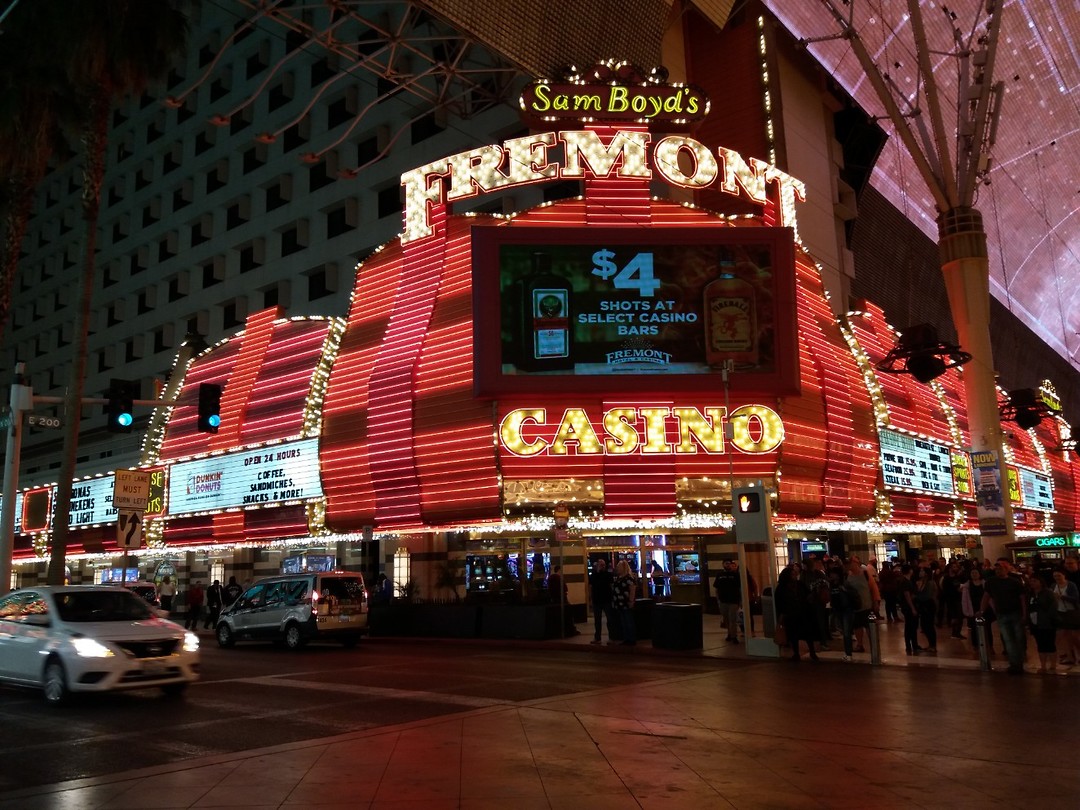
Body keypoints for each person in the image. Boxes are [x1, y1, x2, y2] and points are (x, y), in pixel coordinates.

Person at [981, 559, 1028, 674]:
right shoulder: (991, 582)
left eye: (1001, 568)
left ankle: (1019, 662)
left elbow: (1022, 598)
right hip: (1002, 613)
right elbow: (986, 596)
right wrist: (981, 610)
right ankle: (1014, 664)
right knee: (1008, 639)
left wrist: (1024, 613)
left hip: (1015, 612)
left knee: (1018, 638)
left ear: (1006, 570)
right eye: (997, 569)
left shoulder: (1015, 582)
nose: (998, 570)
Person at [775, 563, 817, 661]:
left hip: (802, 613)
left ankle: (812, 652)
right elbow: (779, 602)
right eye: (793, 574)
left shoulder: (799, 584)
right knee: (794, 635)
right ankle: (796, 653)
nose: (795, 576)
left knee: (807, 634)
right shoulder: (782, 588)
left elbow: (807, 594)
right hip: (791, 615)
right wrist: (782, 613)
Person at [1027, 573, 1058, 674]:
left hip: (1047, 622)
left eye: (1034, 581)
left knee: (1050, 644)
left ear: (1040, 582)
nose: (1032, 583)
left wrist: (1049, 618)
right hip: (1035, 622)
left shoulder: (1048, 593)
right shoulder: (1030, 594)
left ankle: (1053, 665)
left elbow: (1053, 607)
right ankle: (1043, 665)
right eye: (1031, 581)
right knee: (1040, 644)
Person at [960, 566, 994, 655]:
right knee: (974, 628)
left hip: (985, 608)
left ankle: (990, 646)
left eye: (976, 573)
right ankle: (976, 646)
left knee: (988, 628)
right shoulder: (967, 586)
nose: (974, 574)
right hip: (973, 608)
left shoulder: (985, 584)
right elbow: (965, 599)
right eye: (972, 573)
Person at [1051, 568, 1080, 666]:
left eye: (1059, 575)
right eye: (1055, 576)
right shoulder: (1054, 585)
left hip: (1071, 612)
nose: (1057, 578)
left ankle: (1077, 653)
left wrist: (1061, 597)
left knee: (1074, 636)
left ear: (1064, 575)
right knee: (1066, 635)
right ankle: (1070, 656)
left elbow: (1076, 599)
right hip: (1060, 612)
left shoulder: (1071, 585)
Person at [714, 559, 742, 643]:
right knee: (726, 619)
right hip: (723, 601)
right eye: (726, 563)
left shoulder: (735, 575)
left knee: (732, 619)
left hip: (733, 601)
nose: (728, 565)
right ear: (723, 564)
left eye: (729, 563)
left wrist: (740, 600)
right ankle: (729, 634)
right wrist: (718, 600)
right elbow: (716, 588)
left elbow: (739, 588)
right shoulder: (719, 575)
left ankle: (734, 636)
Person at [589, 558, 615, 645]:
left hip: (607, 599)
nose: (602, 566)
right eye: (600, 565)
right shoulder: (594, 575)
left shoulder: (608, 575)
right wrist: (591, 598)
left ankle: (611, 637)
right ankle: (597, 638)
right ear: (597, 566)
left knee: (610, 619)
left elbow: (611, 586)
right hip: (597, 600)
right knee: (597, 620)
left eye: (603, 565)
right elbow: (590, 587)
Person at [897, 564, 921, 654]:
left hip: (907, 606)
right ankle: (910, 645)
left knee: (911, 626)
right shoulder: (905, 582)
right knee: (910, 626)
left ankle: (913, 644)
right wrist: (912, 608)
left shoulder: (907, 581)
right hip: (908, 607)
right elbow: (907, 596)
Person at [612, 560, 637, 646]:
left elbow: (632, 589)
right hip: (619, 603)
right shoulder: (619, 578)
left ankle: (631, 638)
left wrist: (631, 601)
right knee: (623, 621)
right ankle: (626, 638)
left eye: (619, 567)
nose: (617, 568)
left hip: (626, 602)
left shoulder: (628, 578)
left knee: (628, 621)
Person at [913, 566, 938, 653]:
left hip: (928, 605)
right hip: (924, 606)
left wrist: (917, 596)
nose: (920, 572)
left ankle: (933, 645)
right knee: (925, 625)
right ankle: (931, 644)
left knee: (929, 626)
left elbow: (926, 596)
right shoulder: (922, 582)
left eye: (922, 571)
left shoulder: (930, 583)